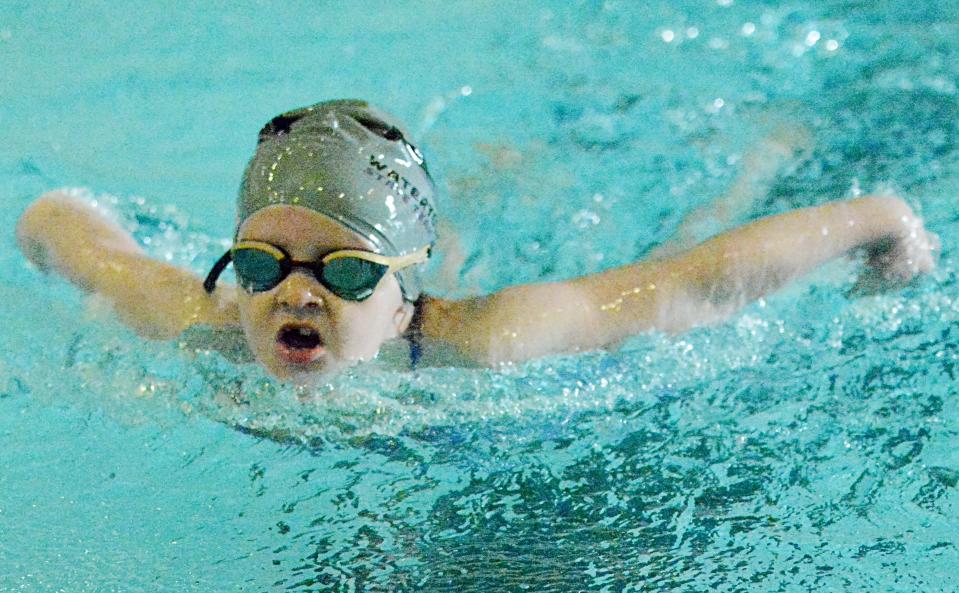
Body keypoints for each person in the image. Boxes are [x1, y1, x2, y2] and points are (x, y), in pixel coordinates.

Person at [15, 99, 940, 383]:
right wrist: (39, 232)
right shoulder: (202, 318)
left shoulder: (483, 338)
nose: (292, 294)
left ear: (402, 286)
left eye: (342, 269)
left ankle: (760, 145)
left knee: (694, 216)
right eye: (262, 261)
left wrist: (875, 221)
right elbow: (58, 220)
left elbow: (692, 287)